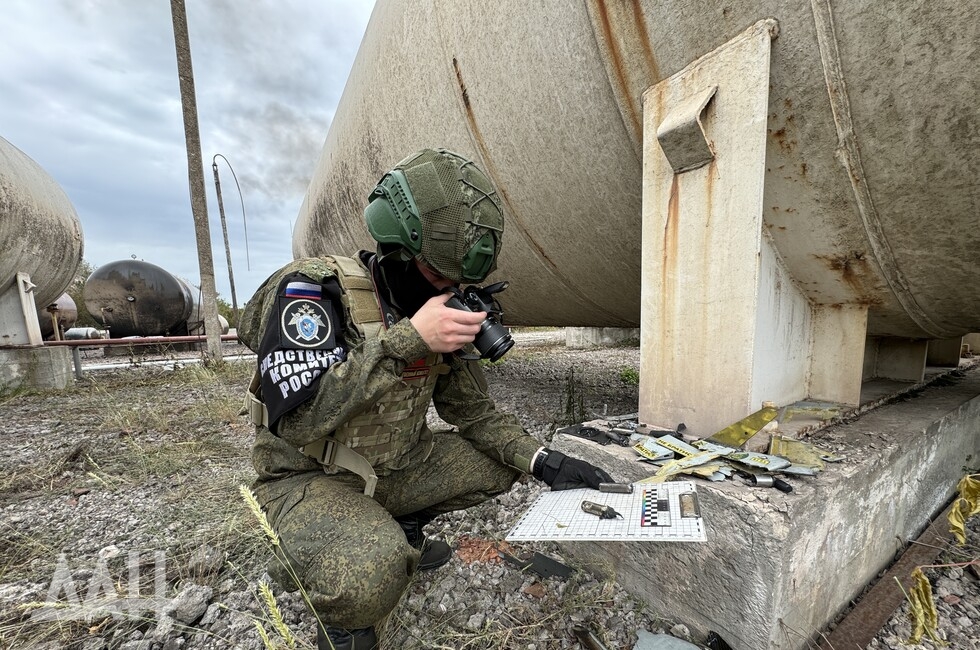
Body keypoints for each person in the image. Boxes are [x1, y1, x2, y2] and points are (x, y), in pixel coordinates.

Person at [237, 148, 613, 650]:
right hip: (308, 478)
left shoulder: (436, 306)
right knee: (371, 573)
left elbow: (474, 413)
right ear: (397, 251)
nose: (451, 292)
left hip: (393, 467)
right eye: (440, 278)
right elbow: (298, 421)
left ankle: (401, 523)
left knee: (498, 464)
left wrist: (545, 461)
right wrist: (408, 340)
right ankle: (340, 604)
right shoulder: (314, 291)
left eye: (462, 283)